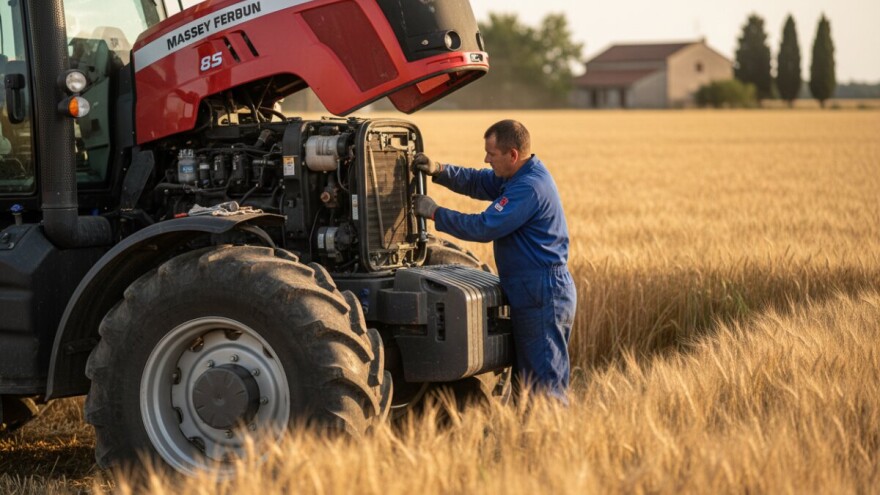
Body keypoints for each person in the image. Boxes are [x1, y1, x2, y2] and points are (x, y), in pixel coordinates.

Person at [412, 119, 576, 402]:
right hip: (531, 290)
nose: (486, 159)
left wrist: (435, 213)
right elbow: (477, 180)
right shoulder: (517, 175)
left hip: (542, 291)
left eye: (492, 154)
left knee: (544, 387)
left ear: (512, 154)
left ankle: (550, 441)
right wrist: (439, 170)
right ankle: (528, 442)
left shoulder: (529, 187)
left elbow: (484, 227)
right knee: (526, 385)